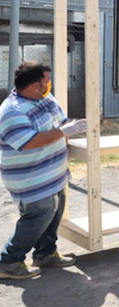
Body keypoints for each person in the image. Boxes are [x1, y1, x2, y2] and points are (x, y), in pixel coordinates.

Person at [0, 61, 87, 279]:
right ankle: (8, 261)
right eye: (46, 81)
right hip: (30, 178)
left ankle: (45, 254)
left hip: (53, 173)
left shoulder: (45, 99)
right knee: (39, 215)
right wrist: (63, 133)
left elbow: (61, 121)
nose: (49, 84)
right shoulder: (11, 111)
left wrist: (67, 130)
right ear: (34, 85)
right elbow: (29, 141)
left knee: (54, 212)